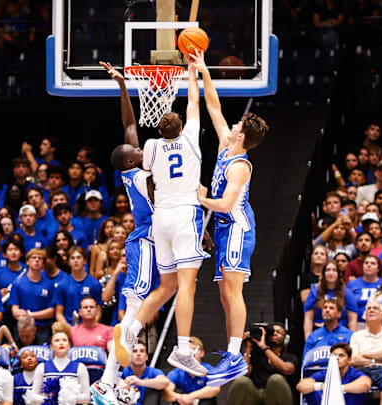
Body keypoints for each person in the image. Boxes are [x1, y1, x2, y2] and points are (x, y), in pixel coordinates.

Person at [120, 48, 208, 378]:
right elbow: (194, 104)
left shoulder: (152, 149)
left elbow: (135, 138)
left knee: (168, 285)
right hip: (185, 215)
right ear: (182, 128)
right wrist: (192, 72)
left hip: (161, 221)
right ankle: (183, 349)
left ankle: (133, 325)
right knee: (186, 286)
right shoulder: (191, 143)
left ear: (158, 131)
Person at [190, 51, 269, 386]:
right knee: (225, 293)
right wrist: (204, 71)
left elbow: (223, 204)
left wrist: (201, 196)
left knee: (233, 292)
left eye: (237, 126)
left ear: (242, 137)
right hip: (224, 230)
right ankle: (232, 353)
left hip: (237, 228)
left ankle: (236, 356)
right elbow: (214, 107)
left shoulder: (240, 165)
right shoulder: (226, 144)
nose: (233, 125)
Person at [94, 61, 162, 404]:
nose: (140, 147)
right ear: (131, 162)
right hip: (146, 238)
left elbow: (130, 122)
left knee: (141, 306)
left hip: (151, 239)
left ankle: (108, 380)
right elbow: (164, 200)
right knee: (136, 302)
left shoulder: (136, 166)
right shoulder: (142, 177)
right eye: (136, 150)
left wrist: (124, 86)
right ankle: (111, 373)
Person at [226, 324, 297, 405]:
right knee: (241, 381)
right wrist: (249, 347)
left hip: (275, 396)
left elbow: (287, 369)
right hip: (255, 394)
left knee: (276, 379)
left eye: (279, 332)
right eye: (272, 332)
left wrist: (264, 347)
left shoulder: (289, 356)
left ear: (286, 338)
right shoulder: (256, 354)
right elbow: (243, 373)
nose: (275, 334)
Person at [29, 326, 90, 404]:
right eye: (57, 340)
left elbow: (87, 397)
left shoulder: (80, 367)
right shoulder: (42, 367)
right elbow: (33, 396)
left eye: (64, 340)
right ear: (51, 347)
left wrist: (68, 398)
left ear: (69, 345)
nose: (61, 343)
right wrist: (51, 399)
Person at [296, 343, 372, 405]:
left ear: (349, 360)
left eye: (341, 355)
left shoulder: (354, 373)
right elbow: (301, 386)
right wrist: (322, 386)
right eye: (334, 355)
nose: (337, 358)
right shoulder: (324, 373)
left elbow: (365, 384)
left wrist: (336, 389)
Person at [8, 248, 55, 344]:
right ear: (28, 262)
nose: (37, 260)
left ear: (43, 264)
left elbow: (51, 311)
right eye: (34, 258)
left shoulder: (49, 285)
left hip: (42, 329)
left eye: (40, 258)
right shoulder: (18, 283)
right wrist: (29, 316)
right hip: (23, 330)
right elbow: (15, 311)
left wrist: (29, 314)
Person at [349, 300, 382, 385]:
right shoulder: (356, 336)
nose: (371, 310)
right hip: (362, 372)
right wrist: (377, 360)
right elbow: (353, 360)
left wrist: (364, 355)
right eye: (368, 308)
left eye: (375, 308)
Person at [304, 261, 358, 338]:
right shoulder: (314, 292)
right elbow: (308, 318)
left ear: (339, 274)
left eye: (334, 270)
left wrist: (353, 341)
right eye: (328, 270)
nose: (331, 273)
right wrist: (307, 339)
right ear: (323, 274)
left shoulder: (347, 293)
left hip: (341, 332)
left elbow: (352, 319)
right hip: (318, 331)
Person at [163, 336, 220, 405]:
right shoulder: (176, 372)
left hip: (201, 401)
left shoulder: (209, 369)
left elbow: (215, 389)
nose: (191, 353)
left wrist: (191, 397)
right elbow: (167, 393)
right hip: (183, 402)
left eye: (194, 349)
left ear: (202, 353)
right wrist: (183, 398)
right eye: (188, 350)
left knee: (209, 401)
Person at [302, 298, 353, 371]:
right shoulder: (313, 336)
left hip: (341, 373)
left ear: (338, 314)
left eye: (331, 308)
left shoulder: (349, 335)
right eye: (325, 308)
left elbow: (351, 360)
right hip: (317, 374)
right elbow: (305, 361)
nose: (327, 310)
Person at [55, 247, 102, 325]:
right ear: (68, 262)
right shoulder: (62, 284)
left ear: (85, 260)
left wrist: (91, 327)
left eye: (79, 257)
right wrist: (69, 330)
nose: (75, 260)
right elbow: (59, 313)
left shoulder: (94, 283)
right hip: (70, 327)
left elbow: (98, 311)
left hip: (89, 327)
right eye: (72, 258)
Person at [119, 340, 170, 405]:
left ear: (147, 357)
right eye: (134, 351)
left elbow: (165, 382)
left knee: (154, 389)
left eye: (142, 351)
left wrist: (140, 382)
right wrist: (121, 383)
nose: (138, 354)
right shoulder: (123, 370)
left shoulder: (153, 372)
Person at [347, 255, 382, 326]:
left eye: (372, 263)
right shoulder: (352, 284)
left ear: (378, 268)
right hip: (357, 323)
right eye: (366, 263)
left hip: (380, 323)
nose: (369, 265)